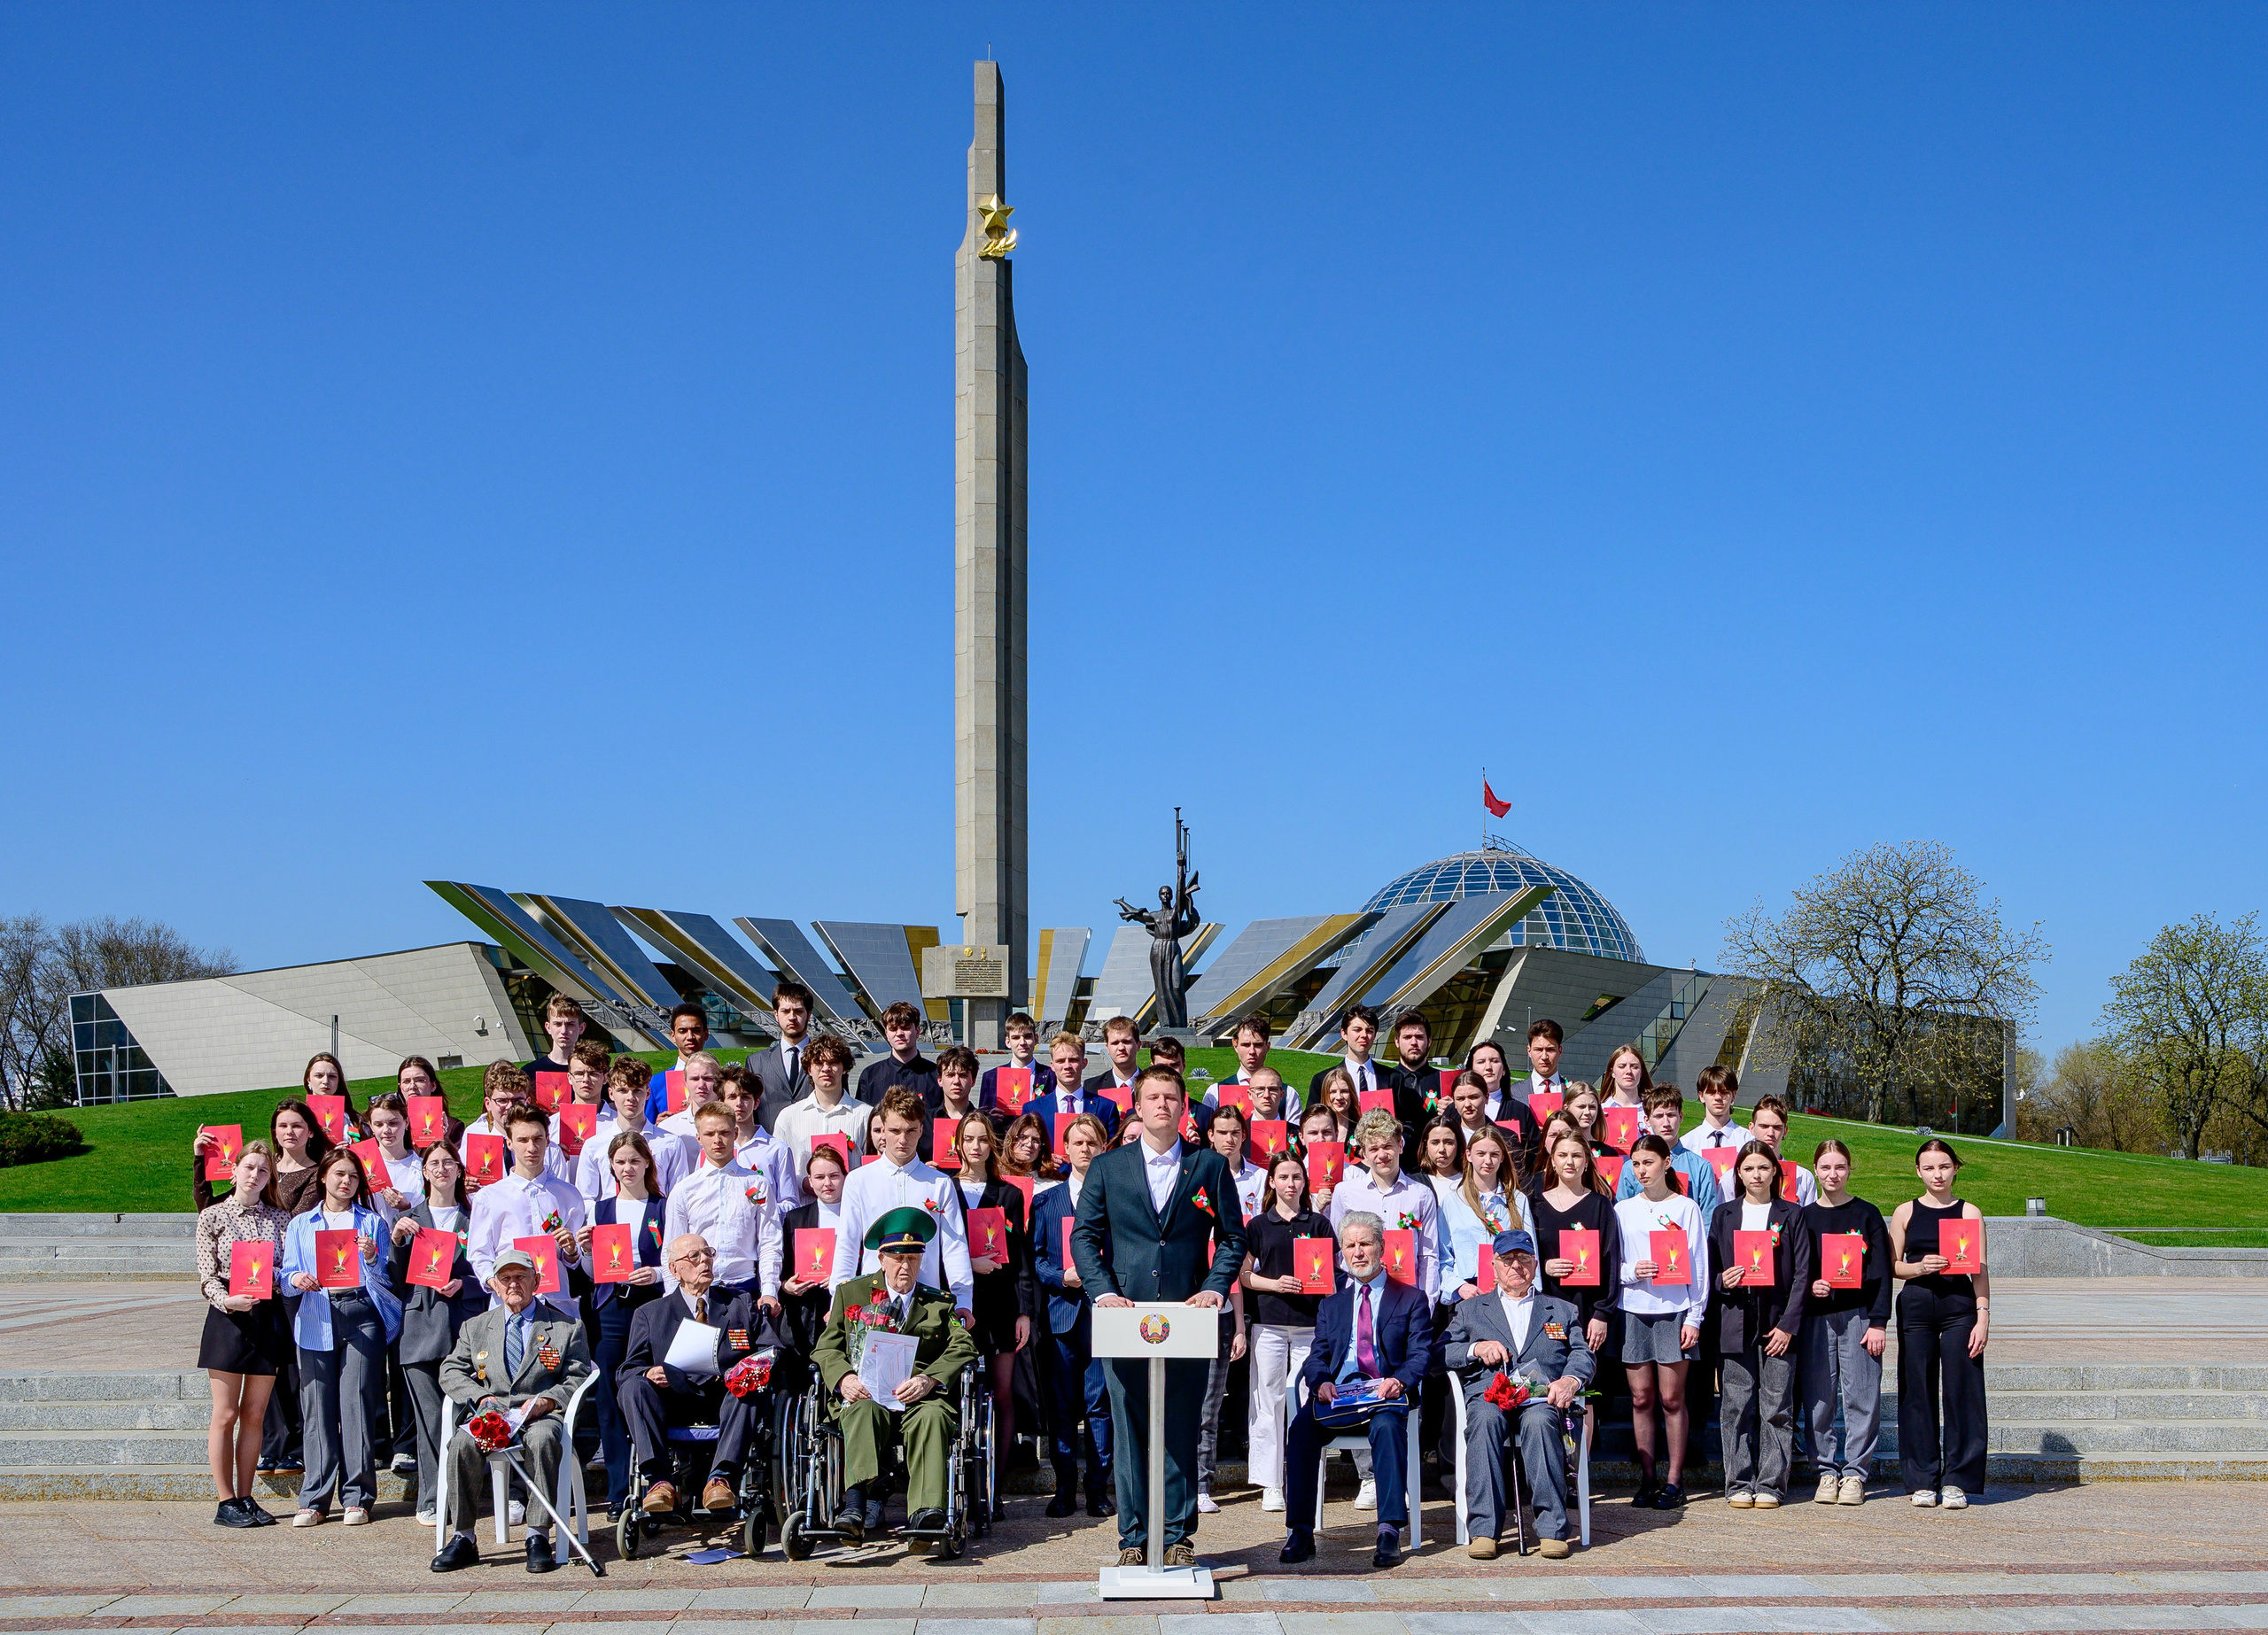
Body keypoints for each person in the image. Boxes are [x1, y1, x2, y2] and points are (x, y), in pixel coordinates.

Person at [1072, 1065, 1248, 1569]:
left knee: (1182, 1426)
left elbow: (1233, 1237)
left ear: (1184, 1104)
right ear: (1138, 1105)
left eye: (1171, 1097)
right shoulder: (1109, 1167)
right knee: (1129, 1429)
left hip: (1188, 1316)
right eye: (1153, 1097)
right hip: (1124, 1316)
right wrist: (1103, 1292)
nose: (1162, 1105)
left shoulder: (1209, 1165)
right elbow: (1084, 1236)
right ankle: (1133, 1537)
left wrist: (1213, 1287)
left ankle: (1176, 1535)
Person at [812, 1206, 980, 1541]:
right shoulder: (852, 1294)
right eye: (898, 1258)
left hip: (918, 1397)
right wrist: (845, 1378)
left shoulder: (939, 1303)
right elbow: (826, 1348)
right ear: (881, 1259)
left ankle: (926, 1512)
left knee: (933, 1416)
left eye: (913, 1259)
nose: (906, 1266)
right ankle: (855, 1506)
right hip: (867, 1392)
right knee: (862, 1410)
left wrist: (929, 1379)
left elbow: (964, 1346)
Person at [1278, 1211, 1433, 1570]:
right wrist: (1321, 1382)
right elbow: (1317, 1356)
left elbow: (1421, 1354)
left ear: (1381, 1247)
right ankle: (1300, 1531)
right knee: (1300, 1431)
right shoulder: (1331, 1305)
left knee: (1387, 1427)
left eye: (1365, 1244)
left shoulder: (1411, 1298)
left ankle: (1389, 1530)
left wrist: (1400, 1381)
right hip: (1341, 1397)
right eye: (1350, 1246)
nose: (1358, 1252)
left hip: (1385, 1396)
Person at [429, 1249, 594, 1574]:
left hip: (539, 1413)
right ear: (494, 1284)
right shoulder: (475, 1327)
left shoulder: (567, 1326)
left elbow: (579, 1375)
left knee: (544, 1439)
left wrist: (548, 1401)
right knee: (461, 1444)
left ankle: (537, 1534)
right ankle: (463, 1537)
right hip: (492, 1414)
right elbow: (450, 1371)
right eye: (505, 1278)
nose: (513, 1284)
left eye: (520, 1277)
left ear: (537, 1281)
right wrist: (480, 1398)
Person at [1441, 1227, 1594, 1560]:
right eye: (1507, 1259)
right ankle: (1484, 1530)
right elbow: (1442, 1352)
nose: (1516, 1266)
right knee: (1484, 1420)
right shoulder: (1470, 1310)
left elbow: (1582, 1353)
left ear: (1535, 1265)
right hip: (1489, 1395)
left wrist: (1570, 1380)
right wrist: (1476, 1348)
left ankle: (1552, 1529)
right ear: (1494, 1266)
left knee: (1540, 1421)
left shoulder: (1561, 1310)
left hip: (1541, 1397)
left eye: (1523, 1258)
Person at [279, 1147, 402, 1528]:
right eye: (339, 1174)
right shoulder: (302, 1224)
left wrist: (371, 1258)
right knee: (317, 1407)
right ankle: (314, 1499)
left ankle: (358, 1497)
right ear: (323, 1177)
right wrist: (296, 1278)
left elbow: (384, 1280)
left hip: (361, 1313)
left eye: (352, 1175)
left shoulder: (371, 1222)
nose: (346, 1181)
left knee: (357, 1404)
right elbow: (285, 1275)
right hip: (317, 1311)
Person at [617, 1231, 767, 1517]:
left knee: (750, 1384)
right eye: (694, 1256)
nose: (704, 1261)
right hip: (673, 1400)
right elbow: (627, 1370)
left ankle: (721, 1479)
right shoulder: (651, 1313)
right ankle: (659, 1482)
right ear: (674, 1270)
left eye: (708, 1253)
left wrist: (748, 1368)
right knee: (633, 1387)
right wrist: (649, 1373)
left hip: (726, 1399)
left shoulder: (740, 1303)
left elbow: (770, 1349)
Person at [197, 1138, 292, 1528]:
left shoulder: (279, 1218)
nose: (255, 1175)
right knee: (226, 1412)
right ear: (234, 1171)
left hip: (266, 1316)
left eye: (263, 1170)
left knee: (255, 1413)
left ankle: (246, 1495)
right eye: (249, 1167)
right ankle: (225, 1501)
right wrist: (227, 1300)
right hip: (228, 1318)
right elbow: (206, 1275)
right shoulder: (213, 1216)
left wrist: (267, 1271)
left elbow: (287, 1268)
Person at [1710, 1141, 1812, 1509]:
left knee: (1777, 1406)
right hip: (1736, 1319)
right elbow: (1709, 1270)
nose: (1756, 1175)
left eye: (1763, 1168)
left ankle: (1771, 1483)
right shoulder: (1724, 1214)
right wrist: (1723, 1281)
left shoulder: (1792, 1214)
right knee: (1736, 1405)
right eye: (1749, 1168)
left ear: (1775, 1172)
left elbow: (1802, 1274)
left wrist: (1788, 1325)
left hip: (1777, 1321)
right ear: (1738, 1173)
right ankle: (1738, 1481)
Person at [388, 1141, 485, 1527]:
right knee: (429, 1422)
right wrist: (397, 1241)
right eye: (434, 1163)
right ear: (424, 1172)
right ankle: (432, 1498)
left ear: (459, 1170)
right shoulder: (409, 1220)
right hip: (420, 1330)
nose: (441, 1169)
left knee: (463, 1419)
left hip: (464, 1329)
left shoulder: (475, 1216)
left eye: (449, 1163)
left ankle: (463, 1497)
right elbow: (394, 1279)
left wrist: (466, 1284)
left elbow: (489, 1270)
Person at [1891, 1138, 1990, 1510]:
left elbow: (1980, 1269)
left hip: (1959, 1307)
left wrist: (1983, 1315)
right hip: (1916, 1305)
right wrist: (1918, 1267)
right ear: (1918, 1171)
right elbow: (1892, 1265)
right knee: (1917, 1389)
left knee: (1963, 1389)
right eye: (1929, 1167)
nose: (1937, 1174)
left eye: (1944, 1166)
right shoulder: (1905, 1212)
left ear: (1955, 1169)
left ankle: (1958, 1480)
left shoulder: (1969, 1212)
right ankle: (1922, 1479)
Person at [950, 1109, 1037, 1514]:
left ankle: (992, 1488)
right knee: (954, 1393)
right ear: (958, 1143)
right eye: (969, 1139)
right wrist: (969, 1264)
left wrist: (1024, 1311)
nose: (976, 1146)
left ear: (993, 1145)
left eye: (983, 1139)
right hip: (956, 1306)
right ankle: (956, 1485)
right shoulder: (943, 1189)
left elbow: (1021, 1259)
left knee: (1002, 1394)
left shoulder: (1009, 1195)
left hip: (1001, 1304)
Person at [1613, 1134, 1706, 1509]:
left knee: (1671, 1398)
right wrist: (1631, 1272)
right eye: (1635, 1164)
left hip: (1674, 1310)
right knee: (1641, 1398)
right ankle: (1647, 1479)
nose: (1641, 1170)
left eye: (1648, 1162)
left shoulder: (1686, 1208)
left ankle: (1674, 1481)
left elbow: (1698, 1265)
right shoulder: (1623, 1210)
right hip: (1634, 1309)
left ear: (1667, 1163)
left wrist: (1694, 1316)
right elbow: (1614, 1263)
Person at [579, 1130, 667, 1518]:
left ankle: (659, 1482)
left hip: (652, 1307)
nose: (627, 1168)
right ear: (611, 1167)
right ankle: (618, 1491)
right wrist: (584, 1251)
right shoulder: (599, 1211)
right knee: (608, 1394)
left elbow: (676, 1262)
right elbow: (590, 1272)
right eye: (620, 1162)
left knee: (652, 1387)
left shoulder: (663, 1207)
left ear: (647, 1163)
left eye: (634, 1160)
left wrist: (657, 1273)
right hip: (611, 1309)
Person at [1239, 1149, 1332, 1514]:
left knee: (1307, 1403)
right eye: (1284, 1177)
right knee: (1268, 1402)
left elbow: (1330, 1276)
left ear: (1305, 1181)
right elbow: (1244, 1275)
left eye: (1296, 1177)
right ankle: (1271, 1483)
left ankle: (1305, 1477)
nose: (1291, 1183)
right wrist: (1274, 1284)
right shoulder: (1258, 1226)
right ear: (1272, 1182)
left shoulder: (1319, 1223)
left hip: (1310, 1326)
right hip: (1270, 1324)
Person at [1031, 1112, 1114, 1517]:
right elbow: (1036, 1259)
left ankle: (1097, 1489)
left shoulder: (1117, 1199)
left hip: (1104, 1315)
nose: (1085, 1149)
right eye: (1078, 1142)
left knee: (1100, 1406)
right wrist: (1060, 1276)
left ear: (1103, 1148)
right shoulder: (1046, 1201)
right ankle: (1064, 1489)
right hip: (1062, 1314)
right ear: (1064, 1149)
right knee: (1062, 1408)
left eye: (1092, 1142)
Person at [1803, 1138, 1892, 1506]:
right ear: (1815, 1170)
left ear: (1850, 1169)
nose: (1833, 1174)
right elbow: (1797, 1268)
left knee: (1862, 1396)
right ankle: (1825, 1471)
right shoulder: (1804, 1216)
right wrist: (1811, 1286)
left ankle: (1855, 1474)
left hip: (1859, 1316)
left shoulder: (1867, 1214)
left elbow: (1882, 1271)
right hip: (1816, 1318)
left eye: (1839, 1166)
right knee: (1819, 1397)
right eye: (1825, 1167)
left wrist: (1879, 1322)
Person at [830, 1087, 974, 1313]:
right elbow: (847, 1244)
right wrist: (837, 1302)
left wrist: (963, 1301)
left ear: (921, 1130)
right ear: (882, 1130)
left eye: (911, 1131)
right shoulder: (858, 1181)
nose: (903, 1140)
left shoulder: (940, 1183)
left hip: (927, 1305)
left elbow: (954, 1246)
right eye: (895, 1131)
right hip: (872, 1304)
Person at [1194, 1104, 1256, 1514]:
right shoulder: (1195, 1186)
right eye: (1222, 1132)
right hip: (1182, 1314)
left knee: (1209, 1408)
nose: (1229, 1139)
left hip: (1221, 1315)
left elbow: (1231, 1271)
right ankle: (1175, 1481)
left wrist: (1238, 1326)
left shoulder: (1229, 1235)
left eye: (1236, 1132)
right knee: (1181, 1405)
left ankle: (1202, 1483)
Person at [468, 1104, 586, 1317]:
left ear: (548, 1141)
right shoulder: (489, 1197)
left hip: (556, 1303)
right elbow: (479, 1253)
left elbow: (574, 1258)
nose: (531, 1147)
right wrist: (496, 1285)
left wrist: (571, 1251)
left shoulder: (569, 1195)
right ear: (510, 1143)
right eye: (523, 1140)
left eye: (537, 1139)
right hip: (507, 1304)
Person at [1327, 1110, 1441, 1318]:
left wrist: (1427, 1303)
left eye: (1388, 1146)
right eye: (1374, 1149)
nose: (1382, 1155)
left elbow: (1429, 1255)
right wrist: (1363, 1269)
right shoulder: (1345, 1193)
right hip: (1361, 1296)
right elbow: (1338, 1250)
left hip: (1407, 1299)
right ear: (1363, 1153)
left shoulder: (1421, 1195)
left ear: (1400, 1145)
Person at [662, 1101, 776, 1305]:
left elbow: (769, 1241)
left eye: (724, 1132)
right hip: (698, 1291)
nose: (717, 1140)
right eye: (709, 1134)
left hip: (745, 1288)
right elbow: (672, 1249)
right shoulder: (684, 1190)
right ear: (698, 1138)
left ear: (735, 1133)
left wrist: (769, 1290)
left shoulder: (757, 1184)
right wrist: (673, 1299)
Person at [1530, 1128, 1619, 1359]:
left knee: (1586, 1372)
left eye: (1577, 1155)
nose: (1569, 1162)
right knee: (1552, 1367)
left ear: (1587, 1162)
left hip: (1588, 1312)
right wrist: (1543, 1266)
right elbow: (1526, 1254)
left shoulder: (1600, 1205)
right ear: (1552, 1161)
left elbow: (1611, 1262)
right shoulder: (1535, 1205)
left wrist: (1602, 1313)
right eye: (1562, 1155)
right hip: (1547, 1309)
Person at [772, 1143, 850, 1375]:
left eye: (834, 1176)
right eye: (819, 1177)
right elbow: (784, 1268)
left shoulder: (856, 1215)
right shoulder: (795, 1218)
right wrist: (786, 1286)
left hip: (846, 1309)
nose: (827, 1183)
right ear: (809, 1181)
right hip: (805, 1313)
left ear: (845, 1177)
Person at [578, 1058, 695, 1201]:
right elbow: (585, 1198)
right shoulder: (594, 1145)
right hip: (611, 1214)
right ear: (611, 1093)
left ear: (648, 1093)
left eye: (637, 1091)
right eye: (623, 1090)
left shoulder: (670, 1143)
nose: (630, 1098)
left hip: (656, 1214)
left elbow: (679, 1197)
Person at [1613, 1087, 1724, 1220]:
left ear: (1681, 1116)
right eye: (1659, 1116)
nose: (1666, 1123)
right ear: (1647, 1120)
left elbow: (1707, 1218)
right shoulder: (1631, 1168)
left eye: (1671, 1115)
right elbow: (1622, 1216)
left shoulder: (1701, 1167)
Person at [770, 1033, 871, 1175]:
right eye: (818, 1063)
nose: (826, 1068)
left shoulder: (865, 1115)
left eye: (833, 1062)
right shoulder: (788, 1117)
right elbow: (778, 1168)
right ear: (809, 1069)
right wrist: (803, 1182)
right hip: (803, 1190)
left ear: (844, 1068)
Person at [462, 1063, 571, 1189]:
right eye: (502, 1101)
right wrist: (461, 1187)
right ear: (488, 1104)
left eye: (517, 1101)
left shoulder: (550, 1150)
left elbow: (561, 1192)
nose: (509, 1107)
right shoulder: (472, 1146)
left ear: (527, 1102)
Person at [719, 1063, 803, 1217]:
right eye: (732, 1097)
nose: (739, 1103)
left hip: (765, 1230)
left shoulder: (777, 1149)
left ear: (756, 1103)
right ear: (721, 1103)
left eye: (745, 1097)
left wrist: (760, 1209)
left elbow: (791, 1204)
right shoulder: (713, 1150)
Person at [1378, 1011, 1449, 1165]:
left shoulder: (1445, 1081)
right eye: (1407, 1037)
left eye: (1419, 1037)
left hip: (1437, 1163)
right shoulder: (1382, 1081)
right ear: (1397, 1041)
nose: (1414, 1042)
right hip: (1394, 1164)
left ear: (1429, 1041)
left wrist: (1453, 1111)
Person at [750, 980, 819, 1132]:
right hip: (770, 1141)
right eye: (785, 1011)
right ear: (776, 1014)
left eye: (798, 1011)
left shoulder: (827, 1060)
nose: (792, 1017)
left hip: (814, 1140)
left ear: (809, 1014)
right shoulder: (756, 1062)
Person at [642, 1002, 716, 1123]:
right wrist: (656, 1126)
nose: (690, 1037)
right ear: (673, 1035)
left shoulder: (721, 1080)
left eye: (696, 1030)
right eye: (682, 1031)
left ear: (706, 1034)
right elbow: (646, 1126)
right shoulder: (656, 1083)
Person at [857, 1001, 938, 1108]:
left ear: (918, 1031)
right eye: (893, 1029)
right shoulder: (870, 1076)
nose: (899, 1033)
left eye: (905, 1028)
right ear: (886, 1034)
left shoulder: (936, 1075)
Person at [979, 1011, 1058, 1120]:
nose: (1022, 1042)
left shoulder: (1052, 1075)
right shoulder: (991, 1077)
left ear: (1036, 1039)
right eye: (1016, 1037)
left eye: (1027, 1036)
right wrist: (991, 1118)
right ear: (1008, 1042)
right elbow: (982, 1119)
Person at [1309, 1003, 1386, 1108]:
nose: (1364, 1035)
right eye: (1357, 1030)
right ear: (1344, 1034)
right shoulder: (1321, 1080)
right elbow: (1313, 1117)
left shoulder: (1393, 1078)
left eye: (1369, 1031)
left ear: (1375, 1035)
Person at [919, 1045, 985, 1165]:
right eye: (950, 1075)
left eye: (963, 1075)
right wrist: (923, 1168)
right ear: (940, 1080)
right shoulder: (924, 1121)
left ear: (973, 1081)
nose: (956, 1081)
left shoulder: (985, 1122)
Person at [1746, 1096, 1819, 1205]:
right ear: (1752, 1128)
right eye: (1764, 1126)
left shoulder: (1803, 1178)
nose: (1770, 1133)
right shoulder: (1735, 1176)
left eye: (1777, 1127)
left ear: (1785, 1131)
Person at [1679, 1065, 1750, 1156]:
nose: (1718, 1097)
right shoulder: (1686, 1144)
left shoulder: (1748, 1141)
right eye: (1711, 1092)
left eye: (1724, 1092)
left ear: (1733, 1095)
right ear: (1701, 1096)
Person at [521, 994, 587, 1082]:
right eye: (558, 1024)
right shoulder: (529, 1072)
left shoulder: (594, 1073)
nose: (563, 1031)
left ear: (581, 1028)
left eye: (570, 1024)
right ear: (548, 1028)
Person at [1084, 1016, 1144, 1104]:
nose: (1121, 1048)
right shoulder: (1092, 1087)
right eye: (1115, 1043)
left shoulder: (1153, 1085)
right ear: (1107, 1048)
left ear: (1138, 1045)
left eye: (1126, 1042)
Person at [998, 1112, 1061, 1188]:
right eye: (1023, 1137)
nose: (1029, 1144)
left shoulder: (1053, 1186)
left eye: (1035, 1140)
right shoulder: (995, 1179)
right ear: (1011, 1140)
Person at [1600, 1045, 1651, 1111]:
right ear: (1612, 1072)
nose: (1629, 1071)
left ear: (1641, 1072)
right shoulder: (1599, 1111)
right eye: (1622, 1066)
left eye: (1634, 1067)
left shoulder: (1653, 1110)